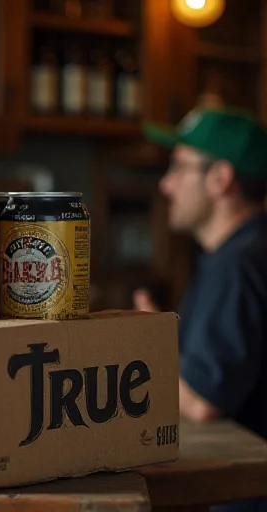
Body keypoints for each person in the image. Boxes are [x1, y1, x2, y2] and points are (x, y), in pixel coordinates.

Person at [142, 107, 267, 512]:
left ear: (221, 178)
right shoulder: (233, 255)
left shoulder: (240, 264)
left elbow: (201, 401)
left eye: (179, 168)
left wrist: (142, 351)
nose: (166, 185)